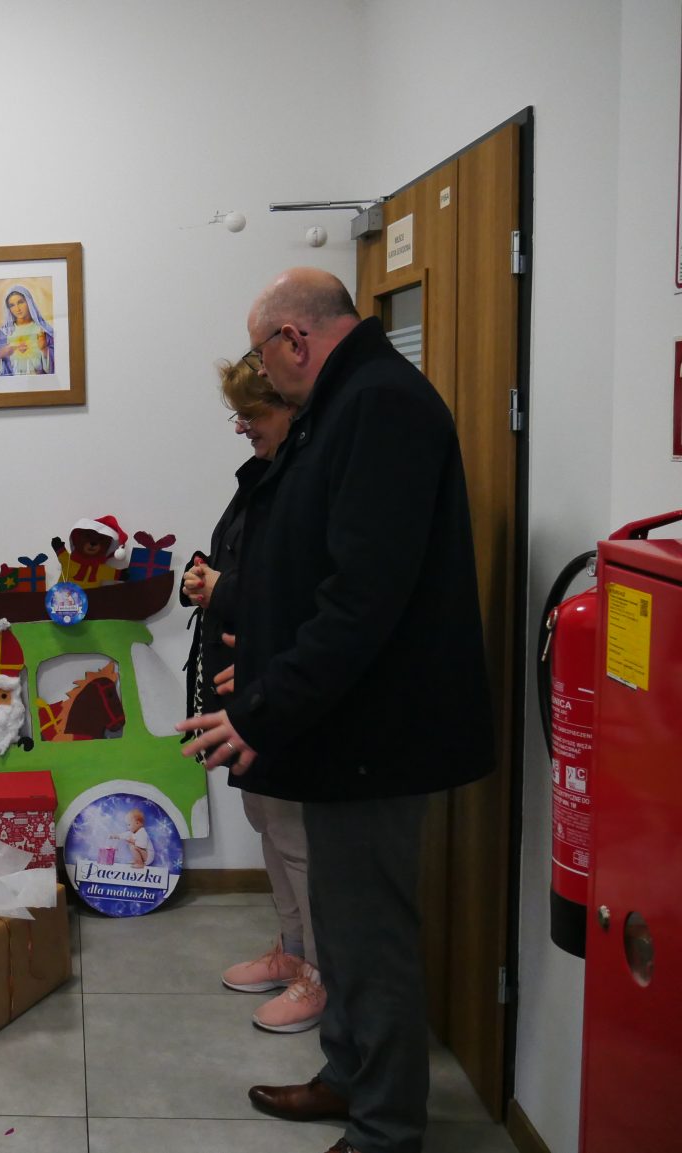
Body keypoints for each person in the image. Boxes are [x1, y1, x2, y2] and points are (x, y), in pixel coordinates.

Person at [177, 268, 494, 1153]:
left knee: (370, 935)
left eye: (262, 355)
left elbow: (360, 600)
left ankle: (386, 1129)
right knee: (344, 929)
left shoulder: (381, 406)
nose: (262, 376)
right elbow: (306, 562)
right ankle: (349, 1075)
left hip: (376, 734)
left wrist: (263, 708)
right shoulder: (344, 403)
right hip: (342, 730)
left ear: (294, 338)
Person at [180, 358, 322, 1034]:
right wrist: (204, 580)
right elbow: (250, 567)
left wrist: (225, 590)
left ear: (291, 406)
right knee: (269, 823)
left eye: (251, 414)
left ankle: (320, 971)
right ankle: (292, 950)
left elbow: (299, 589)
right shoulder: (263, 477)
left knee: (296, 837)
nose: (241, 427)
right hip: (247, 693)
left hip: (278, 692)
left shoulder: (307, 480)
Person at [0, 285, 55, 376]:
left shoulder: (43, 330)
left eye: (20, 302)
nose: (17, 309)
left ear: (29, 302)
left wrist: (44, 349)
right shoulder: (4, 333)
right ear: (8, 308)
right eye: (12, 305)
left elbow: (61, 361)